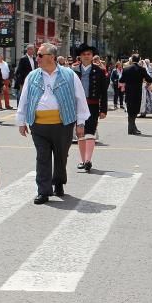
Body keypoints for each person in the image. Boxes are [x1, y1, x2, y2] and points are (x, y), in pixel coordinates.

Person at [16, 43, 90, 204]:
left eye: (40, 55)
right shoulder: (32, 76)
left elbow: (80, 99)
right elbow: (24, 99)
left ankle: (58, 182)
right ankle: (43, 191)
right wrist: (21, 121)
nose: (37, 58)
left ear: (52, 57)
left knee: (61, 156)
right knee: (42, 157)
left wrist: (81, 123)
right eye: (37, 55)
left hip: (63, 124)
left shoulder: (69, 75)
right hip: (38, 124)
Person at [72, 43, 109, 172]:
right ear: (80, 57)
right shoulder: (73, 71)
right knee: (80, 133)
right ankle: (82, 160)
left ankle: (88, 160)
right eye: (84, 54)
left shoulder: (99, 71)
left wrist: (103, 109)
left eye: (89, 54)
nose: (86, 56)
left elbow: (104, 92)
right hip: (77, 106)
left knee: (90, 132)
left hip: (92, 105)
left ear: (92, 56)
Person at [119, 55, 152, 135]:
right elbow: (148, 78)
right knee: (135, 110)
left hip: (129, 92)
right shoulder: (141, 69)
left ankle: (132, 128)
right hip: (137, 92)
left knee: (130, 110)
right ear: (139, 60)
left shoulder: (126, 69)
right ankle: (131, 128)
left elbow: (121, 80)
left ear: (132, 60)